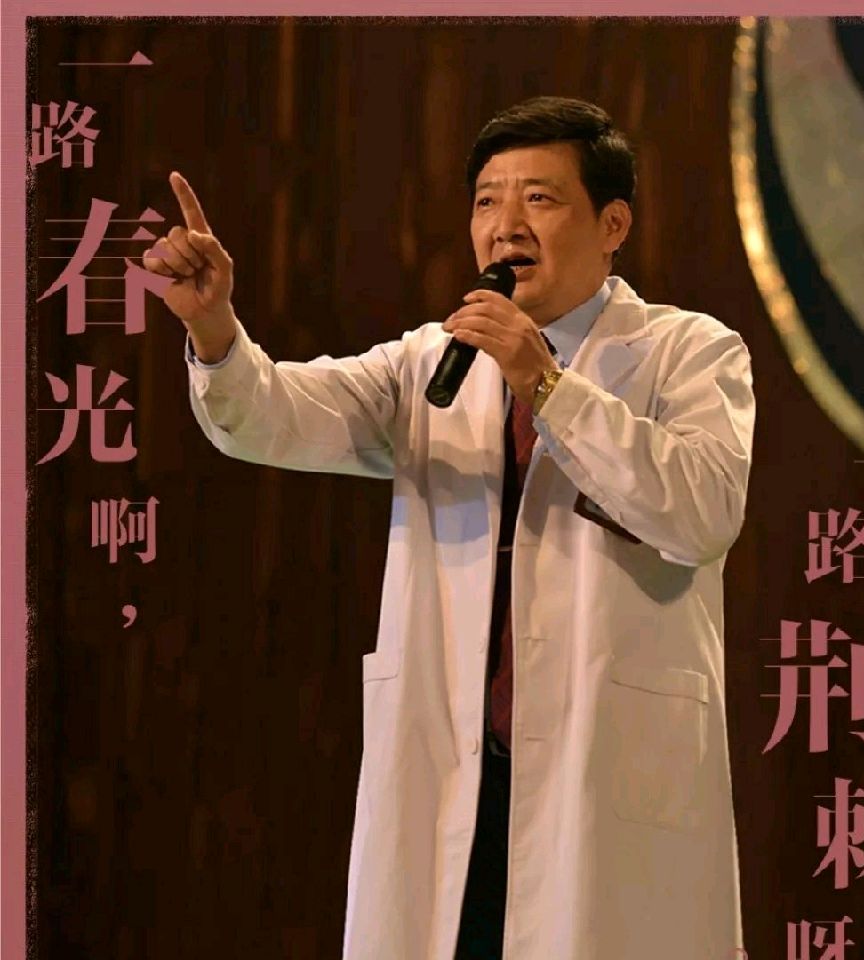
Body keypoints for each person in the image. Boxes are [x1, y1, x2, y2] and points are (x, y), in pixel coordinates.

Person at [145, 96, 755, 960]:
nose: (506, 225)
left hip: (603, 782)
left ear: (612, 224)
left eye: (539, 198)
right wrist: (214, 328)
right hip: (454, 775)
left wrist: (546, 384)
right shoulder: (430, 362)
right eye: (486, 201)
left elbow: (702, 512)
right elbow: (273, 414)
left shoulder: (689, 352)